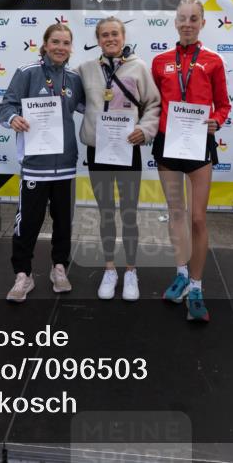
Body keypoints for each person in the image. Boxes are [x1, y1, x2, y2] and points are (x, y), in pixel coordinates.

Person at [151, 0, 231, 322]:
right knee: (176, 215)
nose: (187, 24)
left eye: (193, 19)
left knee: (198, 218)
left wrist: (217, 121)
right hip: (168, 146)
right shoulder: (160, 61)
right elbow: (154, 103)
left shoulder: (213, 60)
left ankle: (196, 287)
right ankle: (181, 273)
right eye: (182, 18)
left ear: (202, 22)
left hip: (199, 145)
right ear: (175, 22)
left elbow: (224, 104)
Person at [0, 23, 85, 302]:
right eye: (55, 42)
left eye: (66, 43)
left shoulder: (73, 78)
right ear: (45, 44)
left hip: (66, 164)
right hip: (36, 164)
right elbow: (6, 106)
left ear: (71, 47)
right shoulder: (27, 73)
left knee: (63, 222)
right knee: (28, 223)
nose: (61, 47)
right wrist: (14, 118)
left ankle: (59, 267)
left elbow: (92, 108)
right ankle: (22, 275)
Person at [77, 17, 160, 301]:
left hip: (128, 149)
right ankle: (110, 268)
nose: (110, 39)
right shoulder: (86, 70)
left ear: (123, 37)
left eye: (115, 34)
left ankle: (131, 270)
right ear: (98, 39)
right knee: (105, 212)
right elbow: (71, 98)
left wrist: (145, 130)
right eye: (104, 35)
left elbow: (154, 104)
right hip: (98, 151)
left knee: (128, 212)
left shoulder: (139, 67)